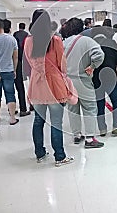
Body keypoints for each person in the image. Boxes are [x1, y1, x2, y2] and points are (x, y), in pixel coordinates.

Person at [24, 9, 74, 167]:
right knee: (56, 122)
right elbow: (62, 64)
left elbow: (29, 61)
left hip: (37, 84)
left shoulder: (28, 41)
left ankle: (39, 153)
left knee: (38, 121)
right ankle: (59, 156)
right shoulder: (55, 40)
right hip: (54, 84)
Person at [62, 18, 105, 148]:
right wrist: (92, 66)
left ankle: (76, 134)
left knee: (72, 108)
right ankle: (90, 139)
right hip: (83, 79)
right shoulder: (87, 41)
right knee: (90, 108)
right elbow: (99, 55)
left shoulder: (63, 43)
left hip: (68, 80)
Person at [91, 26, 117, 137]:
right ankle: (116, 126)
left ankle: (102, 129)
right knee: (116, 101)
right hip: (111, 76)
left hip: (96, 77)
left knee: (99, 103)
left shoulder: (91, 44)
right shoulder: (111, 42)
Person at [0, 18, 19, 125]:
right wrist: (14, 69)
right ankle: (12, 118)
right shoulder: (12, 39)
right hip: (8, 70)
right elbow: (15, 57)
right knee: (10, 94)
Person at [13, 22, 31, 116]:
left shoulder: (15, 35)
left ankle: (11, 110)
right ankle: (27, 106)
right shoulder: (27, 35)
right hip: (25, 59)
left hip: (15, 62)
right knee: (25, 85)